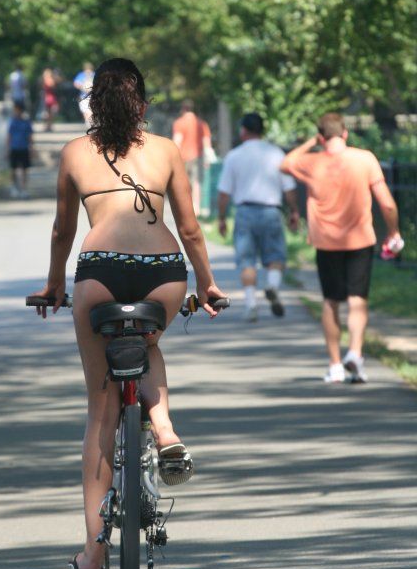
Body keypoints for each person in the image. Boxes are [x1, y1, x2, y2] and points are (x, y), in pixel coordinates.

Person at [30, 58, 228, 569]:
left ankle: (94, 554)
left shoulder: (75, 152)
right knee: (149, 342)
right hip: (162, 271)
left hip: (100, 273)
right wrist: (206, 284)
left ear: (93, 102)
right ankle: (164, 428)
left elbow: (60, 232)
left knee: (102, 410)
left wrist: (54, 286)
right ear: (143, 102)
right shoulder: (165, 149)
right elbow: (188, 227)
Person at [281, 112, 402, 383]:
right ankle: (355, 355)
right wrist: (393, 231)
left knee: (330, 302)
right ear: (345, 133)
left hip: (326, 242)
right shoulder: (365, 159)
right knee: (358, 299)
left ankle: (335, 364)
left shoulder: (311, 162)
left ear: (321, 137)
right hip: (360, 239)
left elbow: (285, 163)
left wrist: (311, 142)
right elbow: (388, 204)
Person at [218, 113, 299, 322]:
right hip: (271, 211)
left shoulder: (235, 156)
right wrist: (294, 211)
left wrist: (221, 218)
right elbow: (289, 188)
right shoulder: (277, 154)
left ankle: (251, 305)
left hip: (244, 212)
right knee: (276, 257)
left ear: (243, 130)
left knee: (247, 262)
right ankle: (272, 285)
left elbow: (224, 192)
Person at [172, 100, 214, 214]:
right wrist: (207, 159)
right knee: (197, 183)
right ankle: (196, 208)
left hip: (183, 158)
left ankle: (185, 207)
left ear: (183, 109)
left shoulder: (179, 123)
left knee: (184, 183)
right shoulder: (202, 124)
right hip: (198, 157)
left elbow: (177, 142)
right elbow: (207, 143)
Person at [6, 102, 33, 199]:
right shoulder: (12, 122)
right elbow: (9, 136)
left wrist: (31, 148)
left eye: (17, 109)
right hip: (14, 148)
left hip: (24, 148)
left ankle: (24, 189)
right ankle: (14, 187)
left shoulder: (26, 122)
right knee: (13, 169)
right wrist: (8, 148)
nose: (15, 112)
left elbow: (30, 136)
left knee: (25, 169)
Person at [41, 68, 59, 132]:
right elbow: (53, 86)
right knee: (50, 113)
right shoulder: (50, 80)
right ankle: (49, 126)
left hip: (47, 97)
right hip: (51, 98)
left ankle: (48, 126)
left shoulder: (43, 80)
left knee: (48, 113)